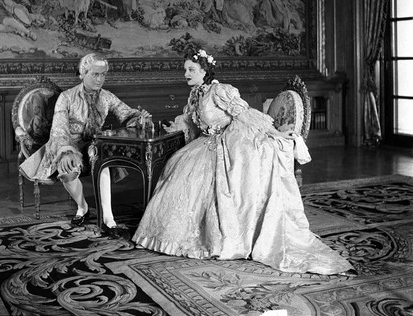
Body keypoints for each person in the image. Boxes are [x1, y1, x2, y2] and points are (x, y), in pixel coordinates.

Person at [132, 49, 354, 275]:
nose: (186, 74)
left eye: (191, 70)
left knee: (201, 178)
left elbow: (244, 113)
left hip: (228, 142)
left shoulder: (219, 91)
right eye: (185, 70)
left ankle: (222, 237)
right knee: (178, 169)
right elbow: (189, 121)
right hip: (205, 143)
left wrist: (274, 132)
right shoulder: (196, 95)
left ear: (204, 71)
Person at [19, 52, 152, 234]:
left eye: (103, 74)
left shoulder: (106, 96)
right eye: (95, 74)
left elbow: (126, 113)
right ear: (83, 73)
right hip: (68, 144)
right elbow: (59, 129)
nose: (100, 79)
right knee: (67, 172)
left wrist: (139, 118)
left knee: (103, 158)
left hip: (94, 145)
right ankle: (82, 207)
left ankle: (108, 218)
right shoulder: (66, 97)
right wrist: (66, 152)